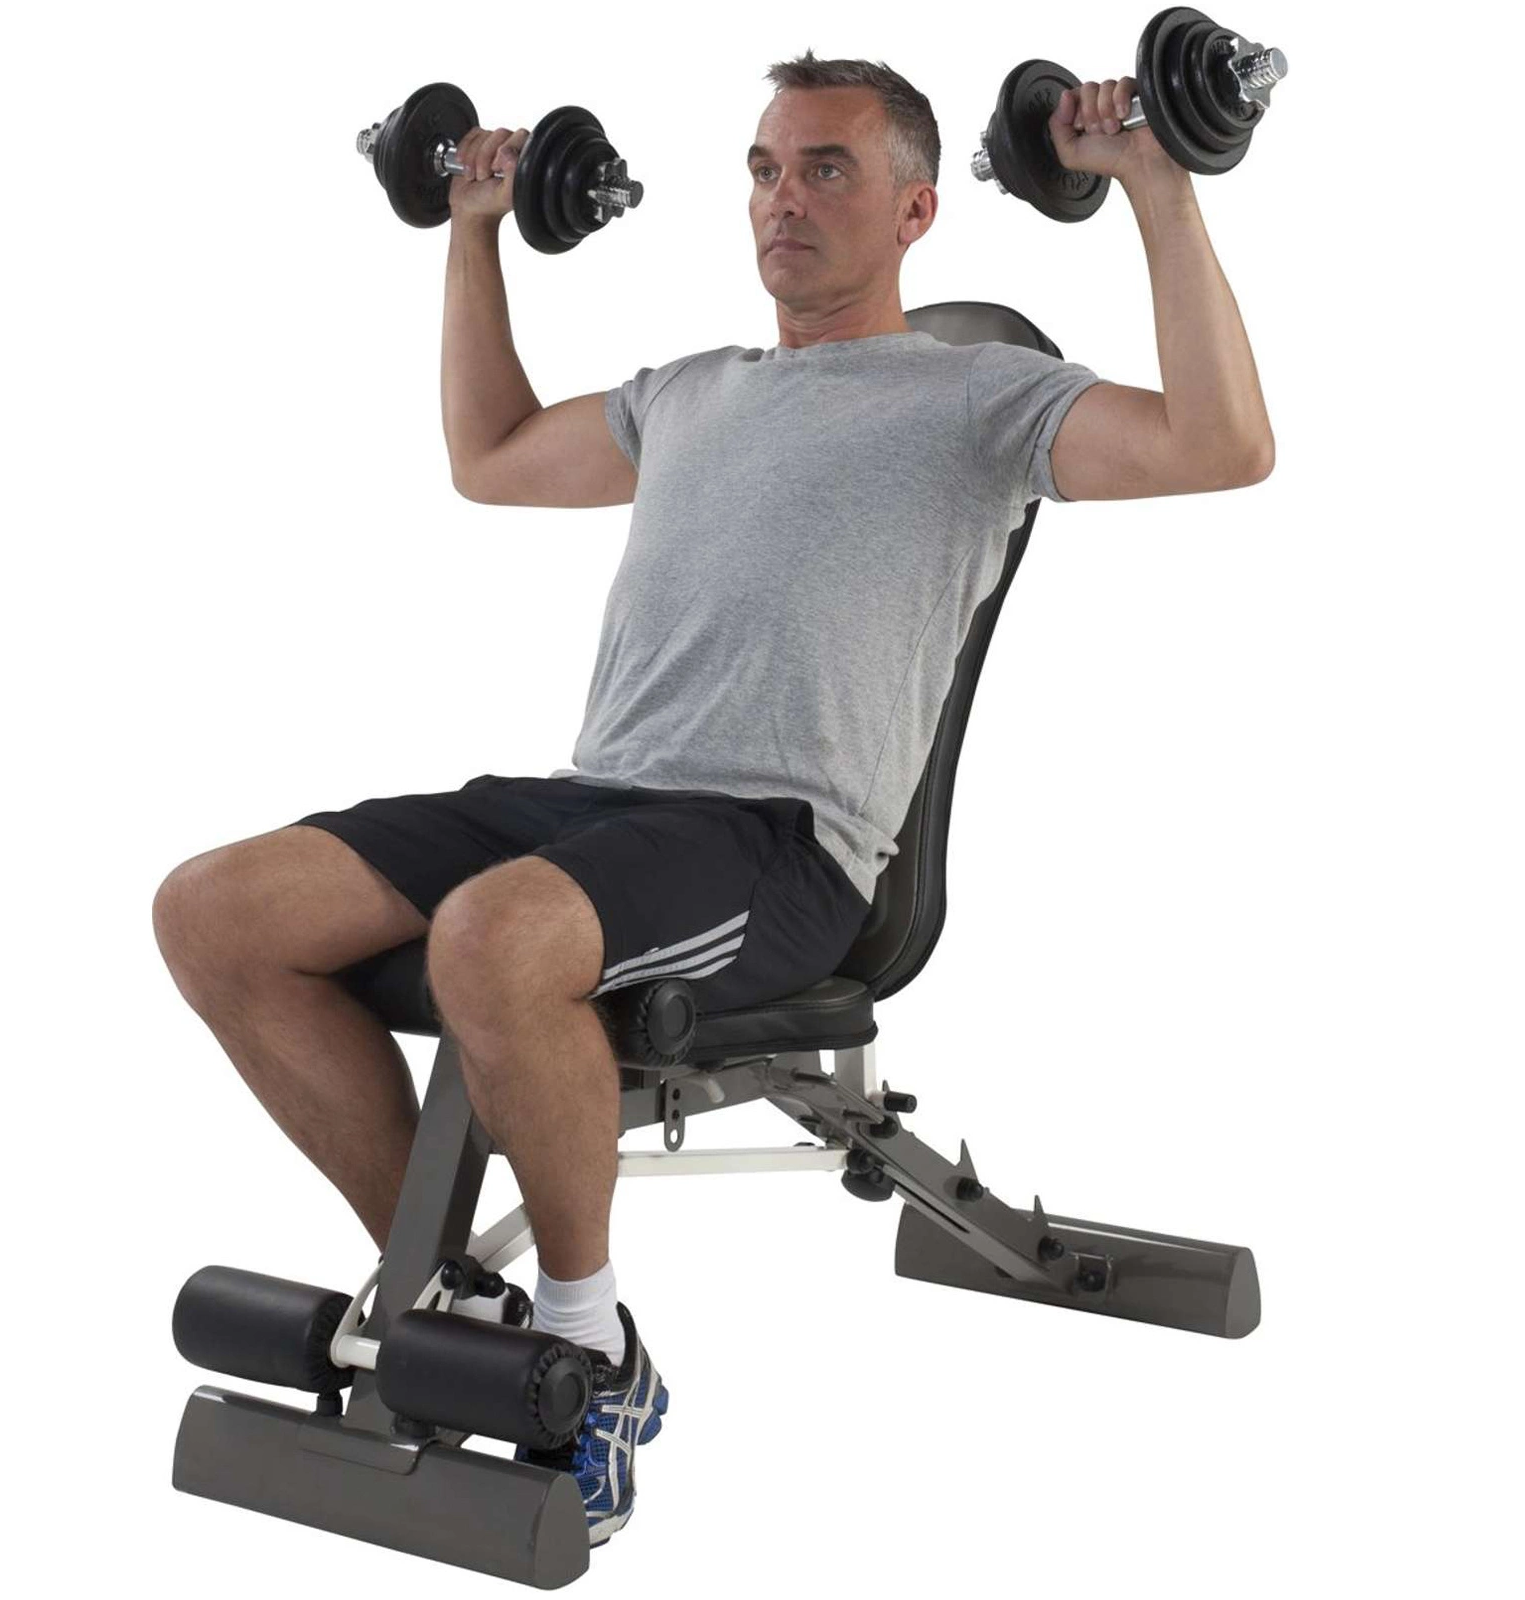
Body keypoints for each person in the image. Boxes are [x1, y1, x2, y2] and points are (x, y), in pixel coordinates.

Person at [153, 52, 1273, 1546]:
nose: (781, 200)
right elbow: (488, 458)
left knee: (495, 938)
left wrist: (1156, 184)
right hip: (590, 803)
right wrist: (473, 234)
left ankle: (590, 1349)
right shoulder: (688, 392)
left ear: (917, 211)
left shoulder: (985, 397)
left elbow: (1223, 445)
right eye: (764, 168)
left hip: (778, 845)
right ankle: (461, 1303)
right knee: (215, 912)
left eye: (826, 170)